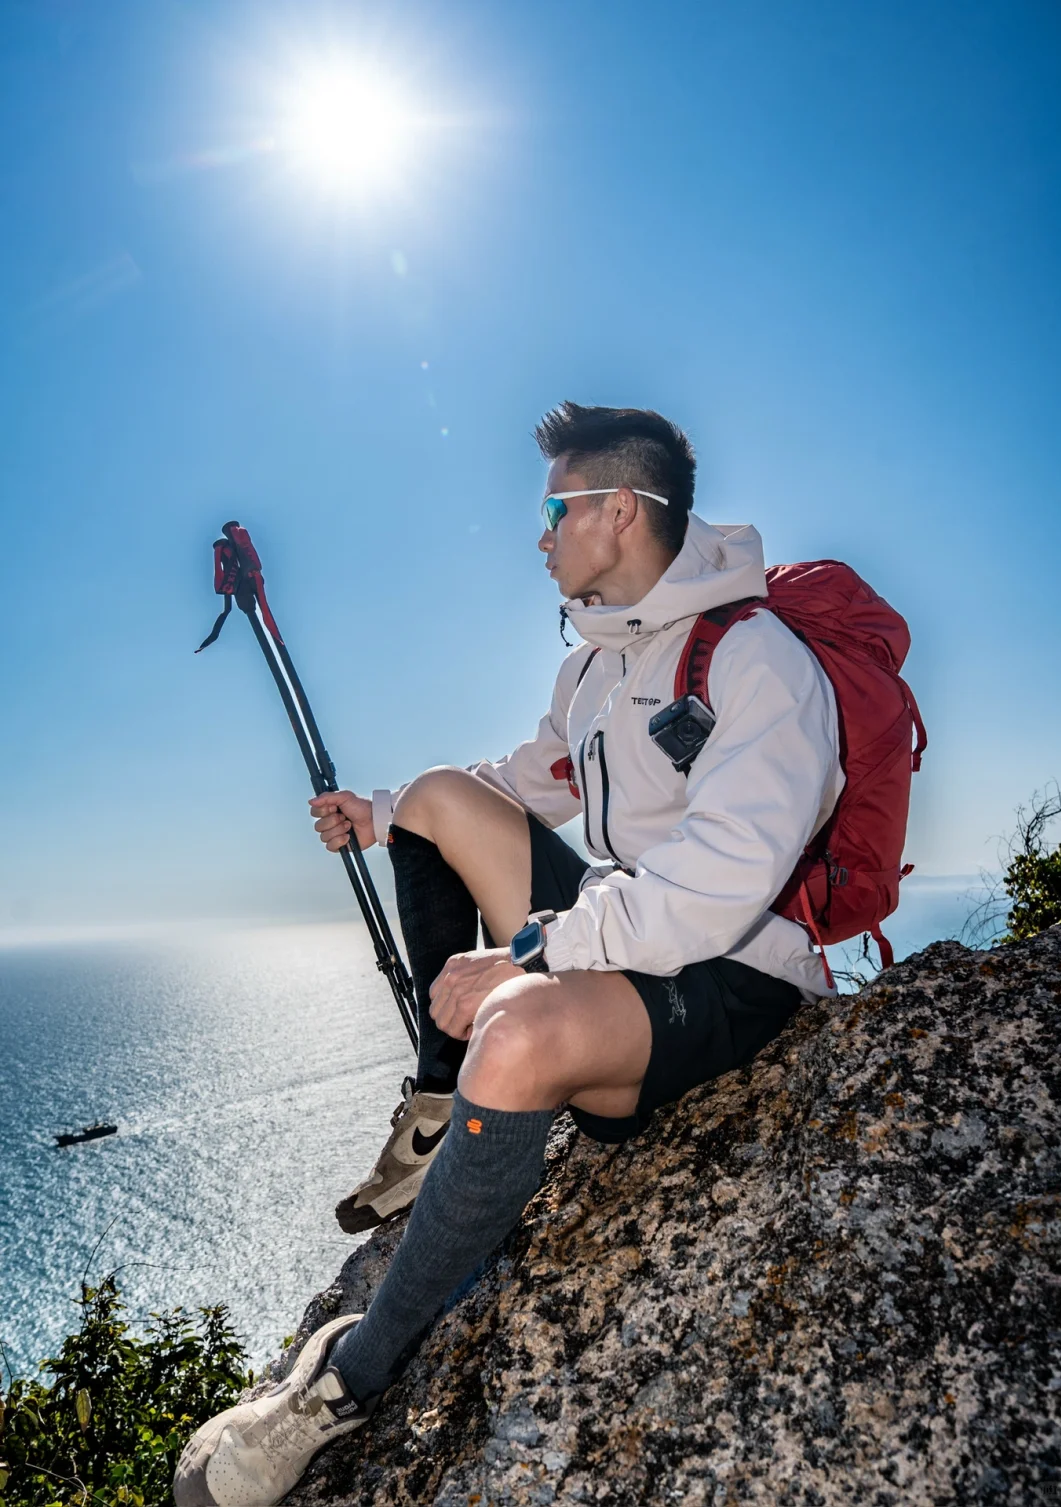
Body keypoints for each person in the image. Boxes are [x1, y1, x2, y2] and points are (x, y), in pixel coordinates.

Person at [174, 403, 843, 1507]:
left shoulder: (757, 659)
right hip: (630, 945)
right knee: (443, 794)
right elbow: (518, 787)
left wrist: (534, 950)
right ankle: (441, 1113)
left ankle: (349, 1380)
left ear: (619, 510)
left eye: (553, 509)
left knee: (519, 1026)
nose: (539, 535)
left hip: (737, 974)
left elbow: (724, 885)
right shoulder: (596, 669)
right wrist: (380, 812)